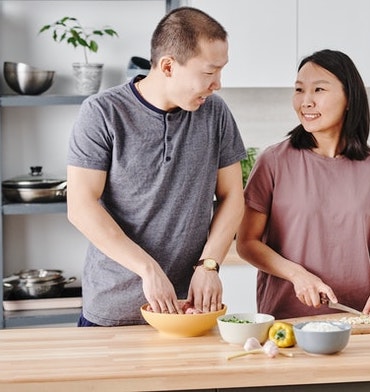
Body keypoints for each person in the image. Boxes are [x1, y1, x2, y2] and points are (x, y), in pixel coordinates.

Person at [67, 7, 246, 326]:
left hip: (187, 310)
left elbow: (233, 196)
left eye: (221, 71)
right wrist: (148, 269)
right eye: (209, 72)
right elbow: (80, 206)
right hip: (112, 311)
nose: (217, 84)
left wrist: (209, 265)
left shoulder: (215, 114)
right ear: (167, 66)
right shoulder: (102, 113)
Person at [236, 49, 370, 321]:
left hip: (355, 317)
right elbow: (247, 243)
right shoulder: (273, 161)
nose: (306, 101)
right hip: (287, 319)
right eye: (299, 90)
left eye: (318, 90)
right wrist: (298, 275)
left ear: (349, 98)